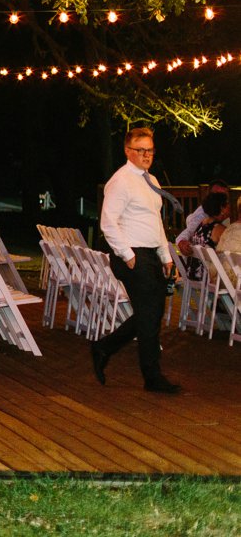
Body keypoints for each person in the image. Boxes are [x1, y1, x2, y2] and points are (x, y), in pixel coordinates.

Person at [90, 128, 180, 394]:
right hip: (132, 255)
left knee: (151, 314)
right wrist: (127, 256)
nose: (146, 155)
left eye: (150, 150)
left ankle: (103, 347)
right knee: (149, 315)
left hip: (151, 254)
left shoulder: (151, 180)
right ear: (128, 151)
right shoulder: (121, 181)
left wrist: (166, 257)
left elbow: (155, 223)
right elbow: (108, 223)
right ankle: (152, 378)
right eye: (141, 150)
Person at [175, 188, 229, 278]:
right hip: (209, 276)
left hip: (194, 273)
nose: (229, 208)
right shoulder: (219, 229)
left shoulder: (200, 225)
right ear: (222, 208)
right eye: (227, 205)